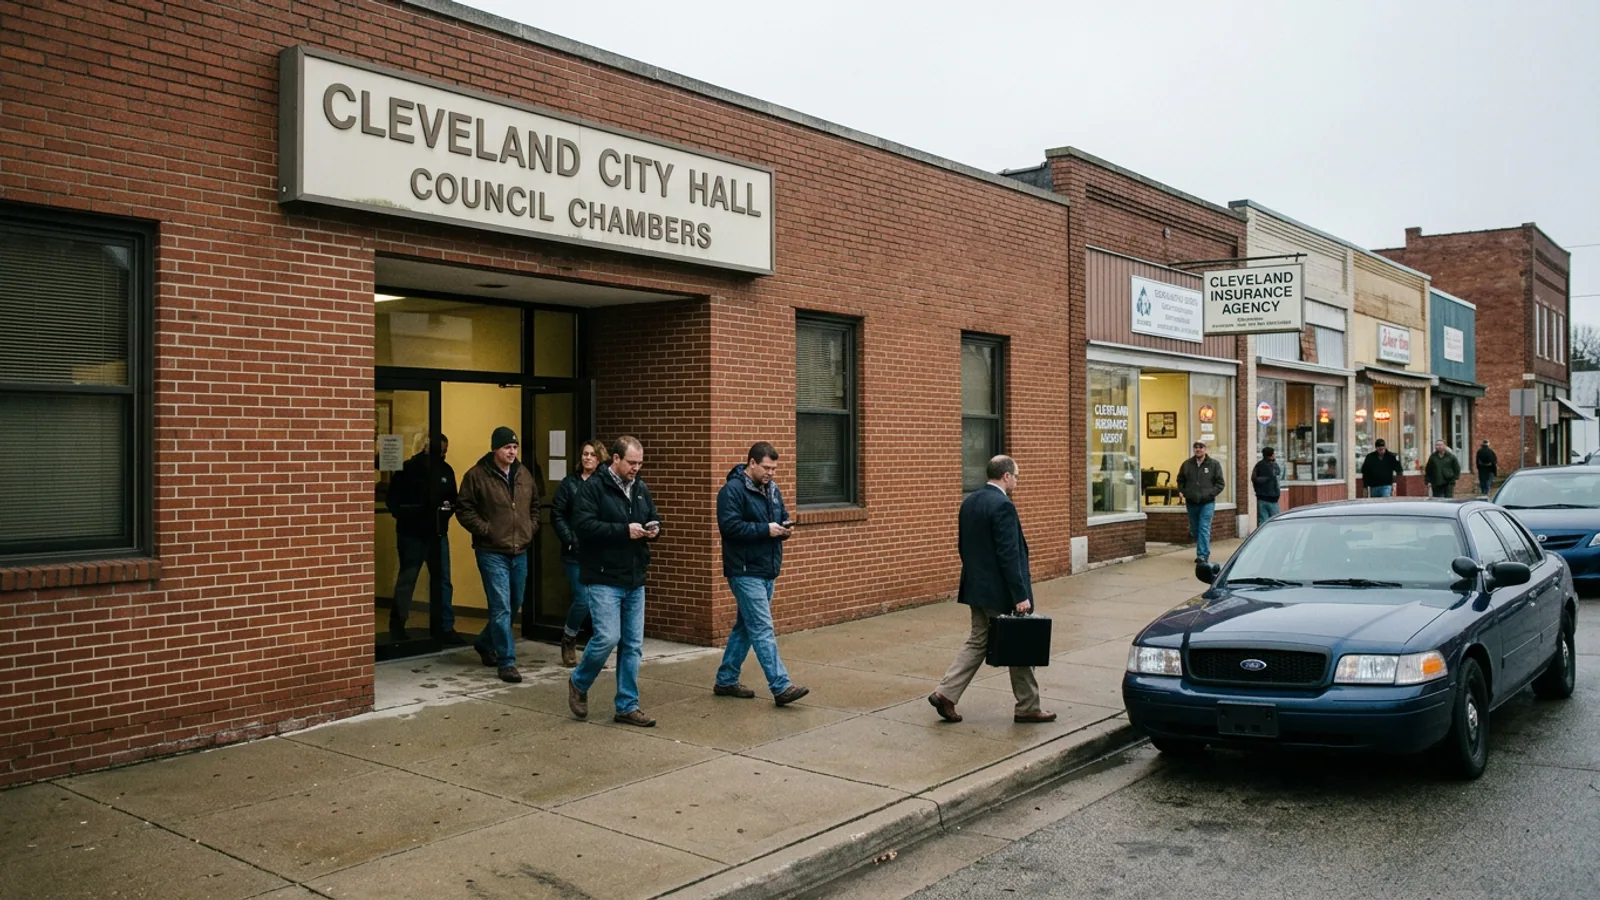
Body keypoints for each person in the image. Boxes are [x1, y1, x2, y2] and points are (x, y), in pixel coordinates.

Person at [927, 455, 1054, 726]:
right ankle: (1028, 707)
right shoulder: (1003, 506)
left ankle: (945, 693)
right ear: (1006, 476)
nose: (1017, 481)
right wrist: (1020, 595)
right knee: (1020, 644)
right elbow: (1009, 554)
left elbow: (964, 547)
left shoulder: (970, 502)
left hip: (976, 588)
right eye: (1016, 476)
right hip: (1000, 592)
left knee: (978, 640)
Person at [569, 436, 661, 727]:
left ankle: (627, 705)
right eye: (632, 463)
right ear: (616, 460)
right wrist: (624, 531)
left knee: (633, 645)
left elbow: (652, 516)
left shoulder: (640, 489)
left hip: (634, 576)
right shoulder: (593, 488)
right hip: (603, 576)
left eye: (640, 463)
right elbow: (583, 526)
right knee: (607, 637)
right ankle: (579, 681)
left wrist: (653, 529)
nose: (637, 468)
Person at [714, 442, 809, 706]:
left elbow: (782, 514)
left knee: (745, 627)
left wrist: (785, 526)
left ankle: (726, 679)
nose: (770, 473)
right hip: (744, 571)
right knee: (762, 628)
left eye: (774, 469)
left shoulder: (773, 489)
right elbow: (729, 527)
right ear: (752, 463)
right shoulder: (732, 491)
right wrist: (766, 530)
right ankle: (781, 686)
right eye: (766, 468)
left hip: (767, 569)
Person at [455, 426, 540, 684]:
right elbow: (464, 508)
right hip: (492, 551)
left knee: (514, 603)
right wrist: (486, 530)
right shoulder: (477, 475)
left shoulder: (524, 474)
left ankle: (483, 642)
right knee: (501, 605)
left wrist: (530, 529)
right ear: (495, 449)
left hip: (519, 549)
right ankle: (507, 662)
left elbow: (535, 506)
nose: (512, 451)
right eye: (507, 447)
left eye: (514, 447)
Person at [385, 433, 460, 643]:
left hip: (437, 533)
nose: (444, 455)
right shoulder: (408, 469)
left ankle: (445, 627)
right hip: (412, 534)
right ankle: (397, 625)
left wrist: (445, 512)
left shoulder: (446, 470)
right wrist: (413, 515)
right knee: (407, 580)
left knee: (443, 580)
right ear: (427, 448)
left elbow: (453, 499)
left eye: (446, 451)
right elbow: (394, 501)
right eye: (441, 451)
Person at [551, 439, 605, 667]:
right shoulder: (569, 484)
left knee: (600, 601)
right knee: (582, 598)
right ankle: (569, 638)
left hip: (599, 552)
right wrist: (570, 539)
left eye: (592, 454)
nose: (588, 458)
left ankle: (597, 648)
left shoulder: (605, 484)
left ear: (600, 459)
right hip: (575, 552)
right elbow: (557, 513)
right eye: (585, 454)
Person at [1177, 441, 1225, 564]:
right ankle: (1202, 549)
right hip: (1192, 501)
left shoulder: (1214, 465)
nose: (1198, 450)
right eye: (1196, 447)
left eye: (1201, 447)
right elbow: (1180, 480)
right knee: (1195, 529)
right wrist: (1185, 492)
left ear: (1205, 449)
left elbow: (1220, 483)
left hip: (1207, 502)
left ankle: (1202, 555)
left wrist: (1210, 494)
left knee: (1204, 527)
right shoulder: (1187, 464)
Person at [1251, 446, 1281, 525]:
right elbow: (1278, 475)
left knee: (1263, 521)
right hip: (1273, 499)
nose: (1275, 455)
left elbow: (1254, 479)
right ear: (1271, 455)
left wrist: (1258, 491)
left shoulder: (1258, 465)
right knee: (1275, 521)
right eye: (1274, 453)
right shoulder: (1274, 466)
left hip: (1261, 498)